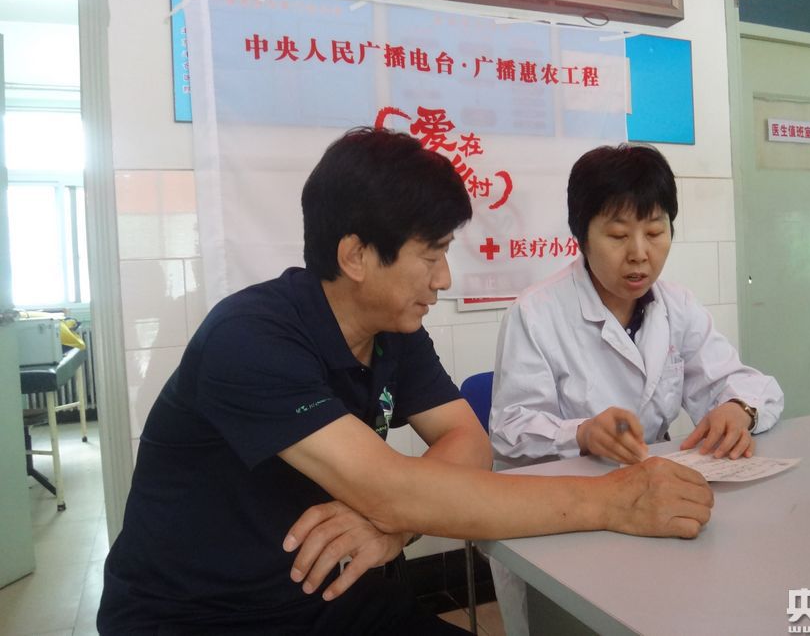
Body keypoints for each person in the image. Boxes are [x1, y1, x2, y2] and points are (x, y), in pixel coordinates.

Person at [97, 128, 714, 635]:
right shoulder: (248, 338)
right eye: (432, 255)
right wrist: (614, 501)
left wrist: (389, 522)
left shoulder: (393, 330)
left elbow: (468, 444)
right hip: (201, 618)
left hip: (341, 600)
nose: (443, 280)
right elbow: (392, 487)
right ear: (356, 256)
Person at [488, 143, 784, 634]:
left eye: (655, 231)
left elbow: (745, 382)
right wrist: (581, 433)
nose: (640, 254)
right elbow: (509, 429)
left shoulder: (676, 306)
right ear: (581, 236)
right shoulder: (536, 313)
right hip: (563, 514)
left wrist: (738, 408)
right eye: (618, 235)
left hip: (654, 505)